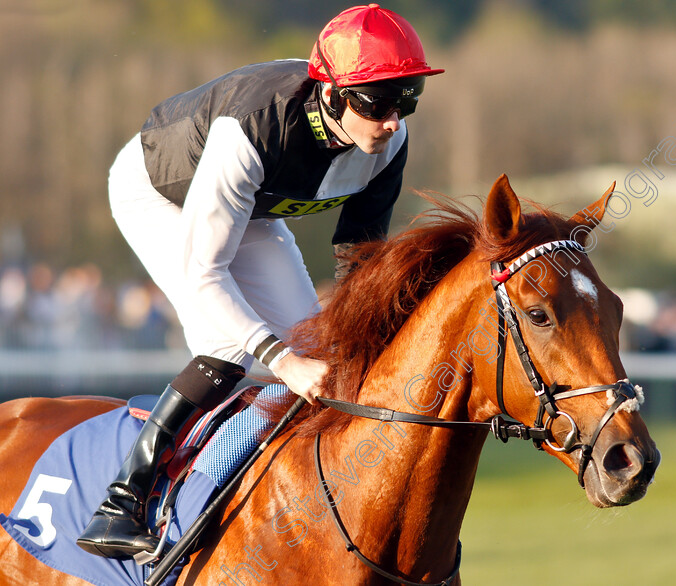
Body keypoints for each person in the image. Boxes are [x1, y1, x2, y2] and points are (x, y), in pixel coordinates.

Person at [76, 4, 443, 559]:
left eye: (407, 97)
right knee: (230, 345)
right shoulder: (252, 129)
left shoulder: (388, 141)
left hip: (250, 209)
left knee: (318, 346)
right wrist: (284, 362)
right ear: (334, 93)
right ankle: (121, 501)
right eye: (378, 102)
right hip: (158, 192)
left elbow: (359, 261)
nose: (393, 118)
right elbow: (205, 275)